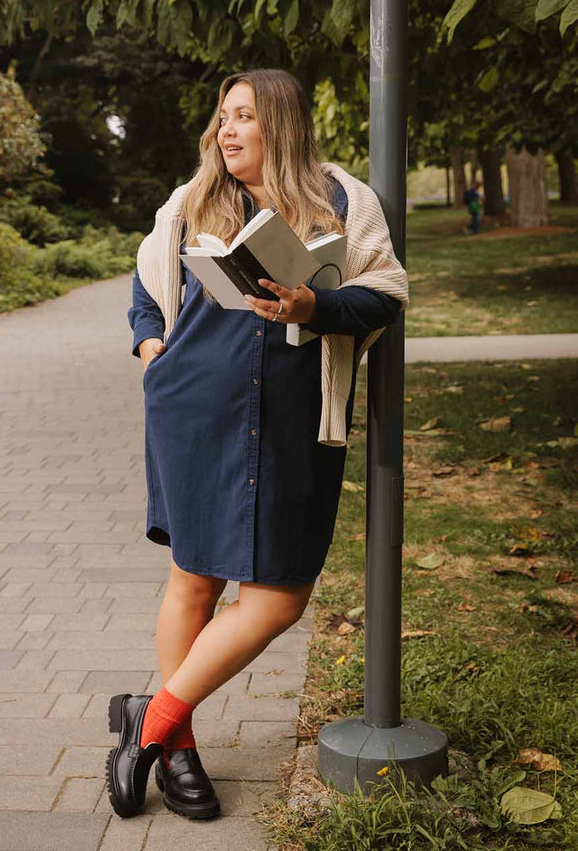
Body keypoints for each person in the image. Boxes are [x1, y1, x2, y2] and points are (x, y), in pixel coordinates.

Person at [106, 68, 409, 821]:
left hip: (292, 421)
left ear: (281, 122)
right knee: (197, 579)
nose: (226, 129)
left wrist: (318, 303)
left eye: (243, 115)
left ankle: (147, 718)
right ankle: (176, 750)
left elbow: (386, 292)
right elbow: (146, 292)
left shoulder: (342, 200)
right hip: (193, 413)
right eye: (222, 116)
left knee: (277, 598)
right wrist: (151, 352)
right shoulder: (191, 200)